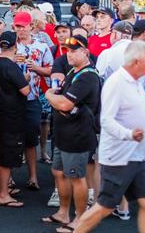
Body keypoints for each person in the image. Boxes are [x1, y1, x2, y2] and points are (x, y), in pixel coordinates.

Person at [73, 41, 145, 233]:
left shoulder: (135, 82)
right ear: (136, 61)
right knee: (105, 206)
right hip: (119, 158)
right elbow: (106, 120)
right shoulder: (117, 83)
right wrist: (129, 134)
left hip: (137, 157)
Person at [44, 35, 101, 232]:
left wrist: (49, 95)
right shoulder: (74, 71)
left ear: (85, 52)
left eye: (74, 50)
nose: (69, 54)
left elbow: (64, 103)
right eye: (67, 50)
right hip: (64, 133)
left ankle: (80, 219)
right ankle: (63, 212)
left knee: (77, 177)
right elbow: (61, 100)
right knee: (58, 172)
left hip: (78, 134)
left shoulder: (87, 76)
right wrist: (55, 98)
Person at [0, 31, 30, 207]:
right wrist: (26, 78)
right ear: (15, 45)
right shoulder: (10, 66)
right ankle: (3, 195)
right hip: (11, 114)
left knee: (0, 152)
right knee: (7, 155)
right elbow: (25, 90)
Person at [14, 11, 53, 189]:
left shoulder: (41, 46)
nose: (20, 29)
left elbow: (51, 69)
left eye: (23, 26)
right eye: (17, 26)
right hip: (12, 98)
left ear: (31, 26)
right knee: (11, 138)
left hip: (32, 97)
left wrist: (36, 68)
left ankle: (33, 177)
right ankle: (9, 178)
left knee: (31, 139)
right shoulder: (9, 45)